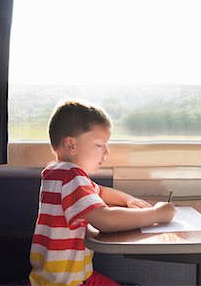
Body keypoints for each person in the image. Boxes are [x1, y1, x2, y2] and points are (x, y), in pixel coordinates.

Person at [29, 100, 176, 286]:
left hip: (60, 278)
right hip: (66, 283)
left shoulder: (56, 172)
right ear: (71, 145)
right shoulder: (71, 176)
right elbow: (105, 220)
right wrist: (156, 214)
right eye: (100, 145)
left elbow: (102, 191)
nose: (106, 152)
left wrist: (129, 199)